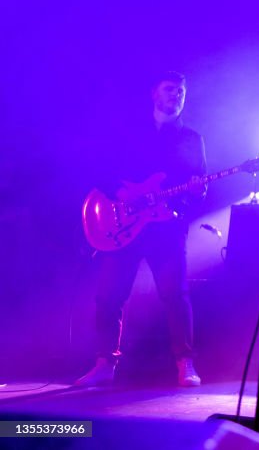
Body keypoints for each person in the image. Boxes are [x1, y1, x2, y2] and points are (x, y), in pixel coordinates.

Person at [75, 71, 207, 388]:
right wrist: (122, 195)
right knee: (109, 295)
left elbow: (198, 186)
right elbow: (100, 170)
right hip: (124, 223)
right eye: (170, 89)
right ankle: (105, 363)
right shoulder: (129, 133)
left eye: (181, 91)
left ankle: (185, 364)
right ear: (154, 94)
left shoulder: (191, 139)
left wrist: (194, 192)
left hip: (166, 226)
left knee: (176, 295)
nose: (176, 95)